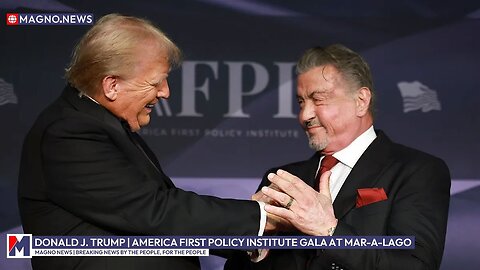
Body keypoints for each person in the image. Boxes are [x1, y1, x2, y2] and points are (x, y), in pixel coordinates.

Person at [17, 14, 278, 270]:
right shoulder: (70, 133)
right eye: (156, 82)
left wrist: (249, 235)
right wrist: (260, 217)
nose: (166, 92)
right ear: (112, 86)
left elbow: (156, 213)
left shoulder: (99, 124)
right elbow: (154, 210)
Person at [225, 44, 451, 270]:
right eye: (301, 102)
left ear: (361, 101)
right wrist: (256, 241)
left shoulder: (417, 171)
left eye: (319, 99)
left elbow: (414, 266)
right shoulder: (282, 180)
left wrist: (328, 231)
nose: (305, 115)